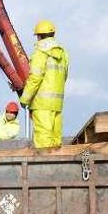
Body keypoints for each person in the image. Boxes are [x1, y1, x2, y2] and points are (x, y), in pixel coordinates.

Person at [19, 20, 70, 148]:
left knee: (43, 142)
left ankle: (44, 168)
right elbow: (65, 76)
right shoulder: (63, 53)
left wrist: (25, 98)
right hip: (57, 104)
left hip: (41, 104)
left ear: (39, 36)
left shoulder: (40, 52)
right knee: (55, 140)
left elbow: (35, 77)